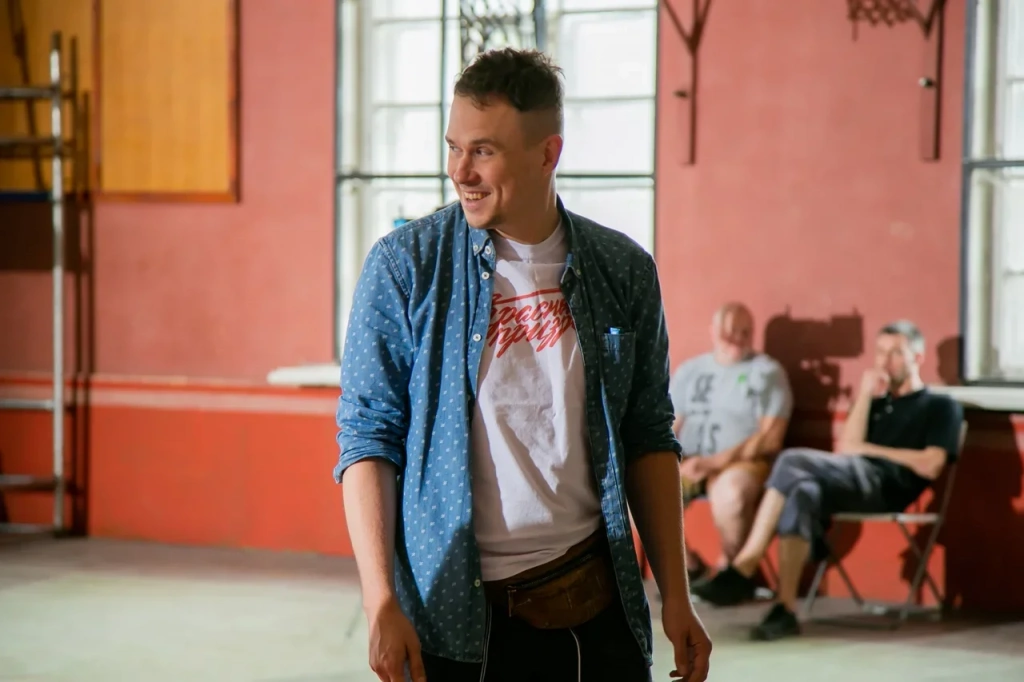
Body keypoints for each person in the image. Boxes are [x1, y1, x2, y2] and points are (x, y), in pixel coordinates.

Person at [334, 48, 711, 682]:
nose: (460, 171)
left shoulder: (622, 269)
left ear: (547, 154)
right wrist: (380, 601)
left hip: (594, 607)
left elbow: (648, 434)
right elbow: (368, 437)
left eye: (483, 151)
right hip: (453, 618)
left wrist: (677, 594)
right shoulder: (406, 266)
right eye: (454, 147)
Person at [692, 320, 964, 641]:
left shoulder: (940, 406)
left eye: (895, 353)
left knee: (791, 460)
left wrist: (869, 450)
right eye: (880, 353)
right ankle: (785, 609)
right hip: (850, 480)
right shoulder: (875, 404)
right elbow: (846, 449)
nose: (885, 361)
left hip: (886, 487)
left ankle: (745, 565)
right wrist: (865, 395)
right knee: (801, 492)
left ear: (917, 358)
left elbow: (932, 465)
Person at [669, 303, 792, 583]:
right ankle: (689, 569)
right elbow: (668, 427)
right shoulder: (690, 371)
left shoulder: (767, 372)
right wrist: (669, 461)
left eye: (745, 331)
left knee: (730, 494)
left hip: (743, 463)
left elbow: (771, 438)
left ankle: (733, 574)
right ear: (712, 331)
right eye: (730, 330)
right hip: (690, 460)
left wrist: (714, 463)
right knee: (637, 491)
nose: (737, 337)